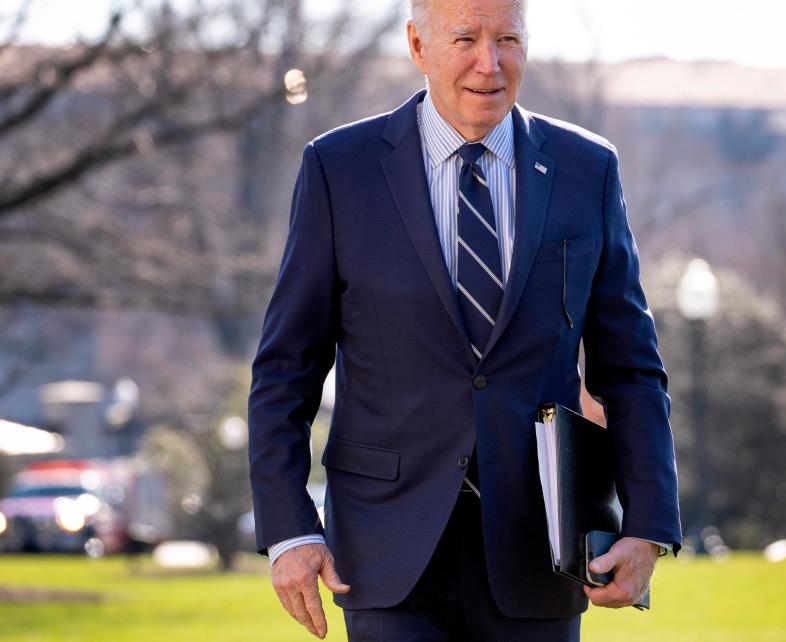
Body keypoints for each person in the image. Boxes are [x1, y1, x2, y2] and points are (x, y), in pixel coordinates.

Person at [248, 0, 681, 639]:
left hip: (540, 552)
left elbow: (632, 371)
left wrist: (648, 526)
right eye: (466, 38)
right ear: (419, 47)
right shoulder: (340, 170)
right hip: (385, 551)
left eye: (509, 38)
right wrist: (289, 528)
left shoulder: (586, 170)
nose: (491, 62)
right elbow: (288, 367)